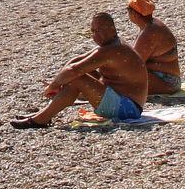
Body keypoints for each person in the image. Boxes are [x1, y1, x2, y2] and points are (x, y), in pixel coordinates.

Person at [11, 12, 152, 127]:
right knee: (80, 74)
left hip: (128, 109)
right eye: (93, 31)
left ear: (112, 29)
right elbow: (75, 61)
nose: (97, 35)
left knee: (77, 78)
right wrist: (58, 82)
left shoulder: (112, 50)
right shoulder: (111, 45)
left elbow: (73, 70)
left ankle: (40, 119)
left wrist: (53, 87)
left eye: (101, 30)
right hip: (124, 101)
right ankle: (42, 115)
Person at [125, 0, 181, 95]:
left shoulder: (149, 32)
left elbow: (135, 63)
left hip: (168, 83)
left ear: (134, 14)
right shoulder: (153, 25)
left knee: (122, 80)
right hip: (170, 79)